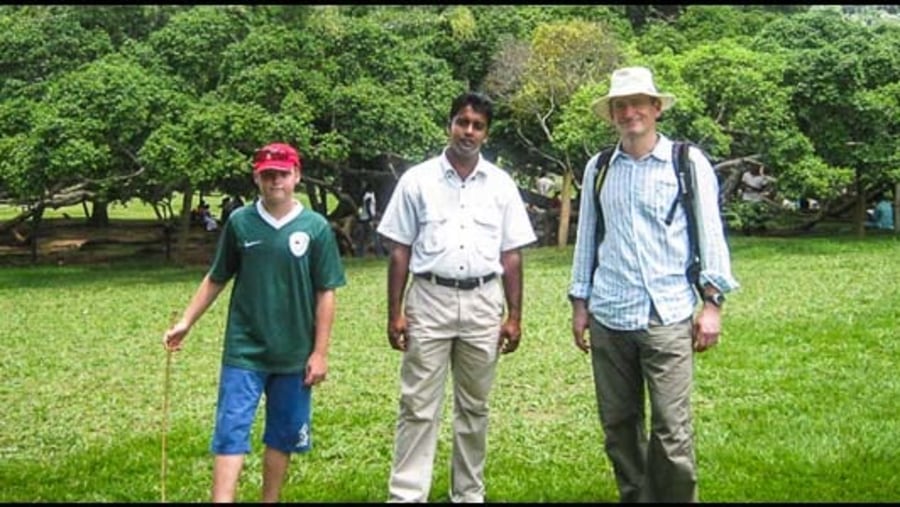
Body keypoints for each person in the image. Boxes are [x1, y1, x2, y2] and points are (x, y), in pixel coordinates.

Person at [568, 66, 739, 503]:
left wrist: (713, 304)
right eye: (620, 106)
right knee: (619, 426)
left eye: (637, 103)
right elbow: (586, 237)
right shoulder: (600, 168)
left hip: (668, 314)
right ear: (611, 114)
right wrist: (579, 304)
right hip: (610, 314)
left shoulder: (686, 162)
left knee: (672, 429)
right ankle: (635, 496)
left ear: (656, 108)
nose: (629, 113)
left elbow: (710, 232)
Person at [162, 142, 347, 502]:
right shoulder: (240, 222)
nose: (275, 180)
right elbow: (217, 276)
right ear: (256, 178)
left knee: (283, 433)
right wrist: (186, 322)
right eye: (267, 174)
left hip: (294, 354)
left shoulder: (316, 228)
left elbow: (326, 292)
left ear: (296, 175)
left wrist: (320, 352)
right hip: (244, 351)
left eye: (281, 173)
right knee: (231, 430)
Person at [377, 91, 537, 503]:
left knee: (474, 408)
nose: (468, 131)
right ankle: (407, 495)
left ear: (486, 133)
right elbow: (399, 250)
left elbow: (512, 254)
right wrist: (394, 313)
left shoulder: (501, 185)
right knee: (417, 405)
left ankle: (468, 494)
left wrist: (514, 316)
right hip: (429, 299)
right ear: (449, 125)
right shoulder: (417, 180)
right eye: (462, 122)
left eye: (478, 125)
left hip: (484, 302)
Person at [353, 183, 385, 257]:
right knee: (374, 236)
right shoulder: (368, 196)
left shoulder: (369, 195)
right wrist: (371, 218)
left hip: (364, 218)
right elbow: (368, 207)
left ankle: (359, 253)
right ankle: (380, 253)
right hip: (367, 219)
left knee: (363, 237)